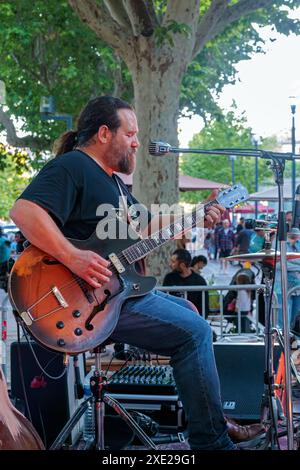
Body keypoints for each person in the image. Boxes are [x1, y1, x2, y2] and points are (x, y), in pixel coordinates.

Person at [10, 96, 263, 450]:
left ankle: (213, 421)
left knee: (190, 315)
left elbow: (147, 227)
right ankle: (213, 441)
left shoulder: (113, 183)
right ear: (103, 133)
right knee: (194, 332)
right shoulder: (74, 167)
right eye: (130, 133)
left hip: (117, 291)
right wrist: (74, 257)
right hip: (88, 300)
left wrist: (201, 210)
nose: (136, 142)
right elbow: (23, 211)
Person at [163, 249, 209, 318]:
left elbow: (204, 307)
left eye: (173, 262)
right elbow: (164, 301)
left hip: (193, 320)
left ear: (182, 265)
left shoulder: (199, 281)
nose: (170, 264)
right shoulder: (169, 278)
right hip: (173, 319)